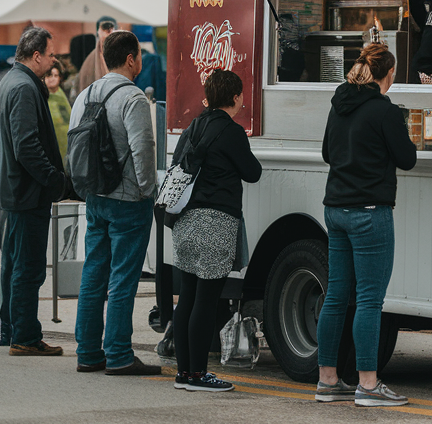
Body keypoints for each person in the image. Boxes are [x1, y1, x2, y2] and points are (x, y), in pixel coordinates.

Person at [316, 42, 416, 406]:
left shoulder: (339, 102)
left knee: (337, 296)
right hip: (369, 211)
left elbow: (328, 152)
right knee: (370, 300)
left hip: (336, 208)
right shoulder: (383, 110)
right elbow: (407, 159)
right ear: (388, 74)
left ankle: (327, 381)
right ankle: (368, 385)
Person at [69, 30, 162, 376]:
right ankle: (120, 354)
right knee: (123, 279)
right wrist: (147, 192)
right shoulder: (133, 98)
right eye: (139, 55)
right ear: (130, 59)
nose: (140, 61)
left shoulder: (85, 95)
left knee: (94, 274)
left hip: (95, 197)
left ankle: (89, 353)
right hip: (127, 201)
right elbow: (143, 150)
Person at [170, 68, 261, 393]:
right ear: (235, 97)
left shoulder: (193, 126)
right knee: (206, 302)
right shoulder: (231, 131)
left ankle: (184, 373)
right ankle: (197, 375)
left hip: (185, 223)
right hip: (214, 224)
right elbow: (253, 172)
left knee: (188, 300)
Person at [0, 27, 68, 356]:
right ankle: (25, 336)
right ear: (37, 55)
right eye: (52, 54)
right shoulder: (24, 87)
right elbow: (26, 145)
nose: (54, 60)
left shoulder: (12, 81)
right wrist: (54, 179)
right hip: (28, 193)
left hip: (16, 191)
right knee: (28, 267)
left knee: (13, 264)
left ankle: (11, 328)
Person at [73, 17, 118, 99]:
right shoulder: (89, 63)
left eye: (112, 30)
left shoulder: (121, 55)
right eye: (106, 29)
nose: (110, 33)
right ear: (98, 33)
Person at [45, 62, 72, 166]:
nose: (52, 78)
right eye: (49, 75)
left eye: (56, 75)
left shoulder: (63, 96)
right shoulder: (42, 97)